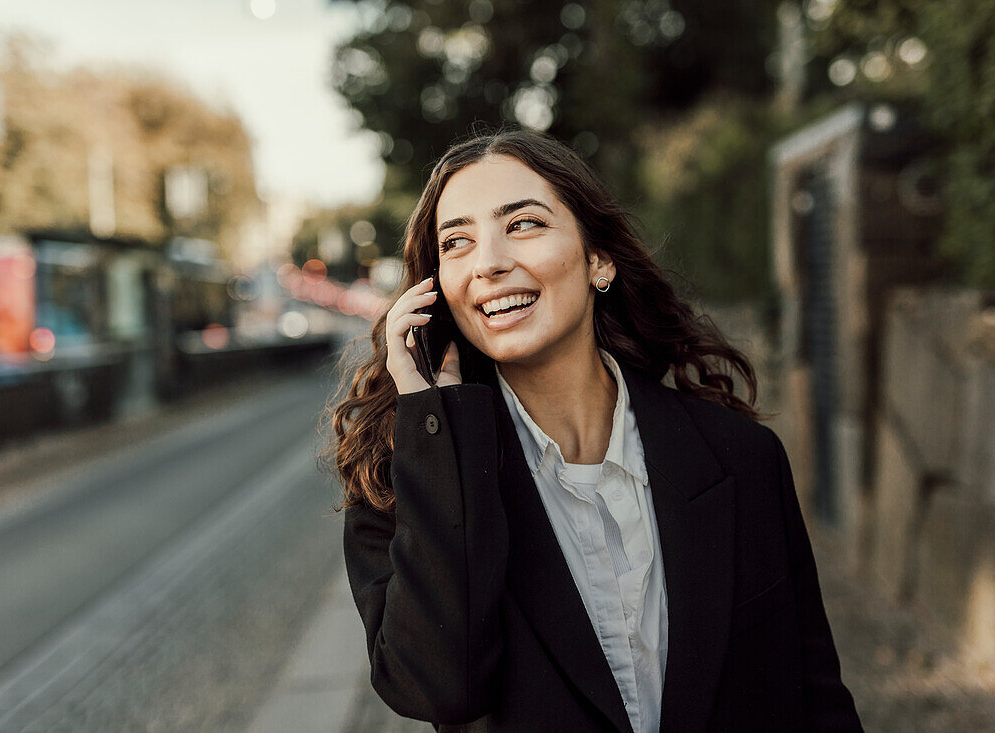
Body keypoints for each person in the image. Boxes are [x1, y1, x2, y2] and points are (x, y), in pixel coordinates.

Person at [322, 129, 863, 732]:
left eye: (523, 224)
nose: (490, 263)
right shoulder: (403, 485)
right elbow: (438, 689)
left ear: (598, 259)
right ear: (437, 292)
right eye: (457, 242)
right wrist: (432, 421)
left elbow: (815, 700)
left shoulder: (741, 457)